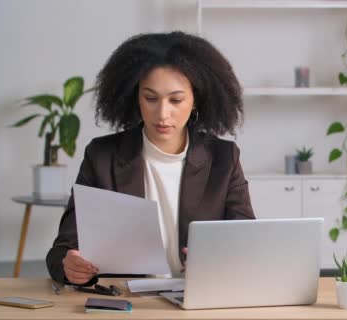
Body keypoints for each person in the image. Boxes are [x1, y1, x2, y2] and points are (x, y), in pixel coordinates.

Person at [46, 31, 255, 286]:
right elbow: (63, 249)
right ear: (135, 97)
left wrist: (220, 260)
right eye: (151, 98)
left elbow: (245, 240)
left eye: (176, 100)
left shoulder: (224, 158)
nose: (162, 114)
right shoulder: (102, 156)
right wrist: (69, 266)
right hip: (125, 302)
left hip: (198, 295)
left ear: (195, 100)